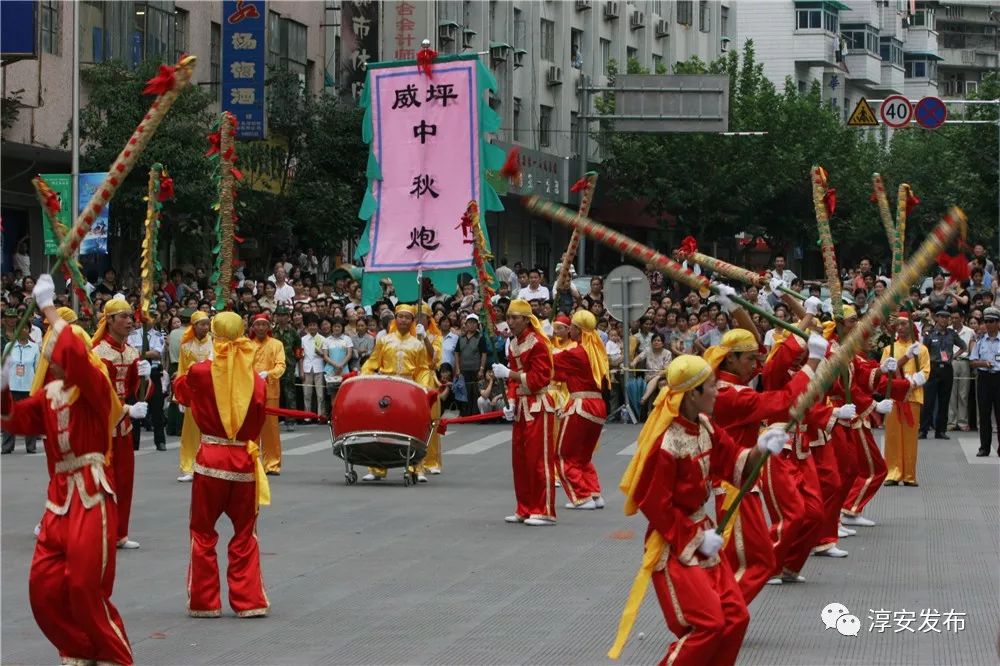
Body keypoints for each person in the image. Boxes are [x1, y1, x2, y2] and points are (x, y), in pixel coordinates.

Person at [608, 355, 787, 666]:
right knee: (709, 625)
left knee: (735, 618)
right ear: (692, 394)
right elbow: (654, 504)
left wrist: (761, 448)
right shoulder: (666, 442)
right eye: (711, 387)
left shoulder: (704, 425)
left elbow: (733, 462)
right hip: (674, 543)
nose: (718, 391)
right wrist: (695, 538)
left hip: (703, 534)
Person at [2, 275, 132, 665]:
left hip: (91, 493)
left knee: (83, 586)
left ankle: (113, 657)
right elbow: (14, 420)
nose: (53, 351)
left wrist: (46, 308)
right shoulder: (51, 394)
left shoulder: (93, 382)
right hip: (60, 498)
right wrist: (3, 388)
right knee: (42, 588)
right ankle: (78, 647)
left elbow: (77, 352)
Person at [703, 314, 826, 600]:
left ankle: (721, 611)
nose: (755, 367)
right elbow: (781, 400)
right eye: (749, 360)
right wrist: (813, 362)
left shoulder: (727, 388)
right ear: (731, 360)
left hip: (741, 482)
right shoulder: (730, 395)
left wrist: (736, 308)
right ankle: (720, 612)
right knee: (753, 562)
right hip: (735, 487)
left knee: (746, 561)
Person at [173, 312, 270, 618]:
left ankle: (205, 602)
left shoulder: (200, 373)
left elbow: (181, 394)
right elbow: (257, 421)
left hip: (211, 458)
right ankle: (248, 601)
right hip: (243, 460)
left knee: (202, 531)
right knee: (244, 534)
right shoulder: (256, 381)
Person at [491, 299, 557, 526]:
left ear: (526, 320)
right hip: (521, 406)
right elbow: (512, 380)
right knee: (520, 461)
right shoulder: (513, 343)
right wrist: (509, 401)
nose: (510, 322)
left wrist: (509, 374)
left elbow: (540, 379)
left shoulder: (539, 343)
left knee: (539, 459)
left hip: (539, 405)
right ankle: (525, 508)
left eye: (515, 318)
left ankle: (545, 509)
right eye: (508, 317)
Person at [92, 298, 150, 549]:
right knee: (102, 483)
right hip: (100, 428)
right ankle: (99, 533)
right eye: (123, 317)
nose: (129, 321)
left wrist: (148, 378)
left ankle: (120, 533)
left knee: (125, 482)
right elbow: (97, 395)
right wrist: (127, 409)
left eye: (130, 316)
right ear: (109, 321)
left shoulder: (132, 352)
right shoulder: (96, 354)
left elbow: (138, 392)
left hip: (124, 427)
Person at [359, 304, 435, 481]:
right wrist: (365, 377)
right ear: (395, 318)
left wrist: (423, 387)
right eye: (400, 316)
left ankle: (416, 468)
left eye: (407, 317)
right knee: (380, 428)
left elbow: (423, 369)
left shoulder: (417, 344)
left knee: (410, 429)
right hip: (386, 387)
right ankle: (376, 468)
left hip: (408, 389)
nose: (403, 320)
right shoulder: (384, 341)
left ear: (412, 321)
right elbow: (372, 362)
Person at [553, 310, 609, 510]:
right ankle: (594, 493)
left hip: (581, 404)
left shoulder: (577, 352)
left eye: (573, 327)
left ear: (578, 329)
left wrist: (542, 339)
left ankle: (582, 496)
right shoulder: (596, 350)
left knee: (563, 454)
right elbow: (561, 373)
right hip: (598, 406)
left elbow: (549, 361)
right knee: (583, 456)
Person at [880, 312, 930, 486]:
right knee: (892, 436)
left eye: (904, 324)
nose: (900, 328)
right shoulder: (889, 349)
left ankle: (909, 474)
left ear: (911, 325)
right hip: (895, 397)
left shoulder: (921, 349)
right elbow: (883, 372)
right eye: (898, 325)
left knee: (910, 437)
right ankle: (893, 472)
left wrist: (910, 382)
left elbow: (925, 372)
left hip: (913, 396)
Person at [176, 311, 213, 482]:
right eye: (201, 324)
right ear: (194, 326)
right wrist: (179, 396)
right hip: (193, 393)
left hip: (211, 393)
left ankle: (208, 465)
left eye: (207, 323)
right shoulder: (186, 346)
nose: (205, 327)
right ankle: (188, 467)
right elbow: (182, 372)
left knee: (210, 430)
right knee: (190, 432)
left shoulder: (215, 344)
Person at [919, 309, 966, 439]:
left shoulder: (952, 334)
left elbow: (963, 346)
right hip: (933, 368)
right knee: (928, 400)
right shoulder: (929, 333)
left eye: (947, 317)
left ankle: (941, 430)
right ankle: (923, 430)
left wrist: (953, 357)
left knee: (944, 401)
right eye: (942, 317)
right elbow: (924, 351)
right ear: (936, 318)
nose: (945, 319)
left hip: (946, 368)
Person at [250, 312, 287, 475]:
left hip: (270, 390)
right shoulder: (247, 344)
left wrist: (269, 373)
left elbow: (281, 365)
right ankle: (252, 462)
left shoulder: (276, 344)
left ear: (269, 326)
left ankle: (272, 463)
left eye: (263, 324)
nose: (260, 327)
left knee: (271, 429)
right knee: (251, 428)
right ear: (252, 327)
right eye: (257, 324)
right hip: (250, 390)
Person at [127, 308, 167, 451]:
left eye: (153, 317)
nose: (150, 320)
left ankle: (160, 441)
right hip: (137, 373)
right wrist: (145, 354)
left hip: (154, 374)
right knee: (135, 405)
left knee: (157, 409)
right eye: (148, 317)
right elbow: (131, 353)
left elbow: (157, 353)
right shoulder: (133, 335)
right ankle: (134, 442)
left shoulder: (158, 335)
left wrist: (142, 353)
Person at [2, 316, 40, 454]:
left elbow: (38, 368)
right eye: (20, 327)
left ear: (29, 330)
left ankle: (31, 446)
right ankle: (7, 446)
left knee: (30, 417)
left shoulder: (35, 347)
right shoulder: (9, 346)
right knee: (9, 416)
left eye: (26, 328)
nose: (23, 330)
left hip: (29, 387)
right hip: (12, 386)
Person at [970, 307, 1000, 456]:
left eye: (992, 321)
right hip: (984, 379)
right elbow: (972, 362)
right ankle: (984, 447)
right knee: (984, 414)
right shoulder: (981, 341)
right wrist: (983, 363)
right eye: (987, 321)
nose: (989, 324)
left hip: (999, 377)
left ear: (998, 323)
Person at [455, 314, 488, 417]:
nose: (472, 325)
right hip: (464, 369)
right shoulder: (461, 338)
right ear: (466, 324)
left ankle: (475, 414)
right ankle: (466, 414)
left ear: (477, 325)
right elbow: (457, 353)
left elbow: (484, 354)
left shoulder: (480, 338)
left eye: (474, 323)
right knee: (465, 391)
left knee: (476, 391)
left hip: (476, 368)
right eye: (469, 323)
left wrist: (481, 369)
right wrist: (457, 368)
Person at [299, 314, 327, 420]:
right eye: (310, 325)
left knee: (320, 394)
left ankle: (321, 416)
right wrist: (301, 371)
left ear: (317, 326)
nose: (312, 327)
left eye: (314, 325)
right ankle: (307, 417)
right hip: (306, 368)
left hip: (319, 368)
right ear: (307, 326)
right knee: (307, 394)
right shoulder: (303, 340)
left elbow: (325, 355)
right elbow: (300, 356)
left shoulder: (323, 339)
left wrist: (321, 353)